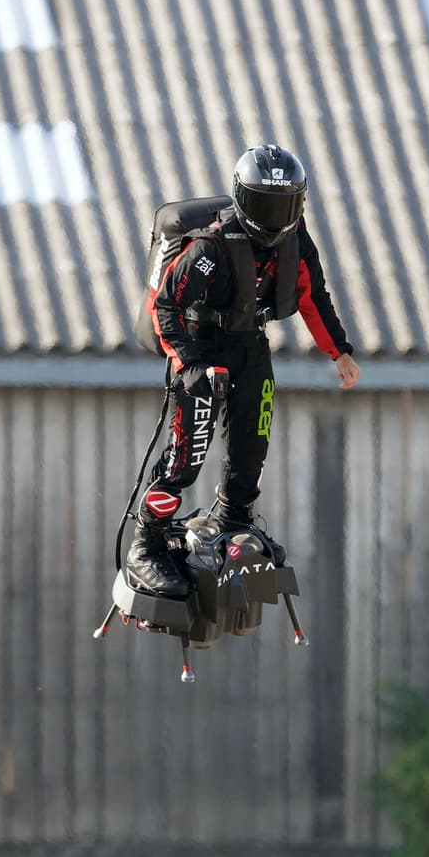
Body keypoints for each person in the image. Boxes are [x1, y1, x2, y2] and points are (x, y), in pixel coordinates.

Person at [128, 144, 359, 598]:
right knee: (185, 459)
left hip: (251, 346)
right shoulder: (210, 246)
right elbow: (167, 304)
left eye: (285, 205)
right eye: (263, 204)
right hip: (200, 349)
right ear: (240, 198)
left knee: (252, 448)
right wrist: (189, 363)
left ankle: (233, 522)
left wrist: (340, 352)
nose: (274, 218)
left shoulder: (296, 239)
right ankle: (147, 546)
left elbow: (314, 294)